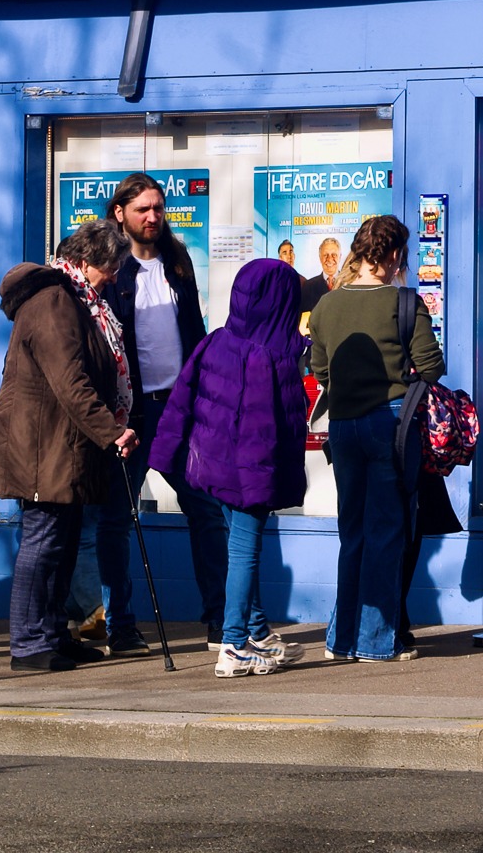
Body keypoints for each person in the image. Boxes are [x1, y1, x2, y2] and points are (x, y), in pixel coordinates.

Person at [0, 219, 140, 672]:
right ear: (84, 263)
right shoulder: (54, 301)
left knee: (61, 544)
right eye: (110, 269)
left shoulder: (75, 299)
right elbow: (70, 381)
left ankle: (53, 634)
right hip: (42, 446)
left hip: (61, 444)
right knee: (44, 542)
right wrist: (111, 431)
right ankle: (29, 642)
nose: (114, 278)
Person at [150, 259, 311, 678]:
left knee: (237, 550)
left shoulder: (217, 341)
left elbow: (183, 400)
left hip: (212, 468)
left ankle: (256, 632)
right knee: (244, 553)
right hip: (248, 475)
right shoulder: (269, 357)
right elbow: (262, 432)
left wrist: (169, 451)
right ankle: (235, 644)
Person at [99, 172, 226, 654]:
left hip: (178, 407)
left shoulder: (177, 260)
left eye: (158, 208)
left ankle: (221, 620)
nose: (153, 217)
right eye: (142, 209)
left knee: (206, 511)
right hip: (129, 412)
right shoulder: (112, 268)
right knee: (117, 518)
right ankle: (120, 625)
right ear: (120, 213)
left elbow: (194, 331)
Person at [308, 215, 442, 663]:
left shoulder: (327, 304)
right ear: (395, 254)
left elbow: (320, 369)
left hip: (343, 426)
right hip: (391, 424)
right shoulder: (404, 301)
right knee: (387, 532)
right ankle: (375, 641)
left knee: (353, 533)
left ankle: (341, 639)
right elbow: (432, 365)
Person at [299, 237, 341, 315]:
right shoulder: (308, 287)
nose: (330, 259)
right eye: (325, 255)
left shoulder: (350, 283)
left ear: (340, 257)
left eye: (334, 255)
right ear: (320, 258)